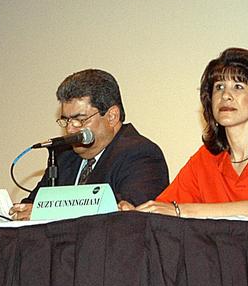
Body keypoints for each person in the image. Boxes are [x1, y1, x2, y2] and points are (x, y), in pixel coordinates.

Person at [137, 47, 248, 218]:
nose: (226, 95)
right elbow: (162, 209)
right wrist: (132, 214)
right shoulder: (205, 158)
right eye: (219, 87)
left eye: (238, 86)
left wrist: (181, 210)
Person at [9, 69, 169, 220]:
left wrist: (45, 213)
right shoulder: (64, 155)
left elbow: (126, 215)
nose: (71, 128)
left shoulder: (141, 154)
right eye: (66, 120)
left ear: (112, 116)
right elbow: (32, 204)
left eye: (80, 119)